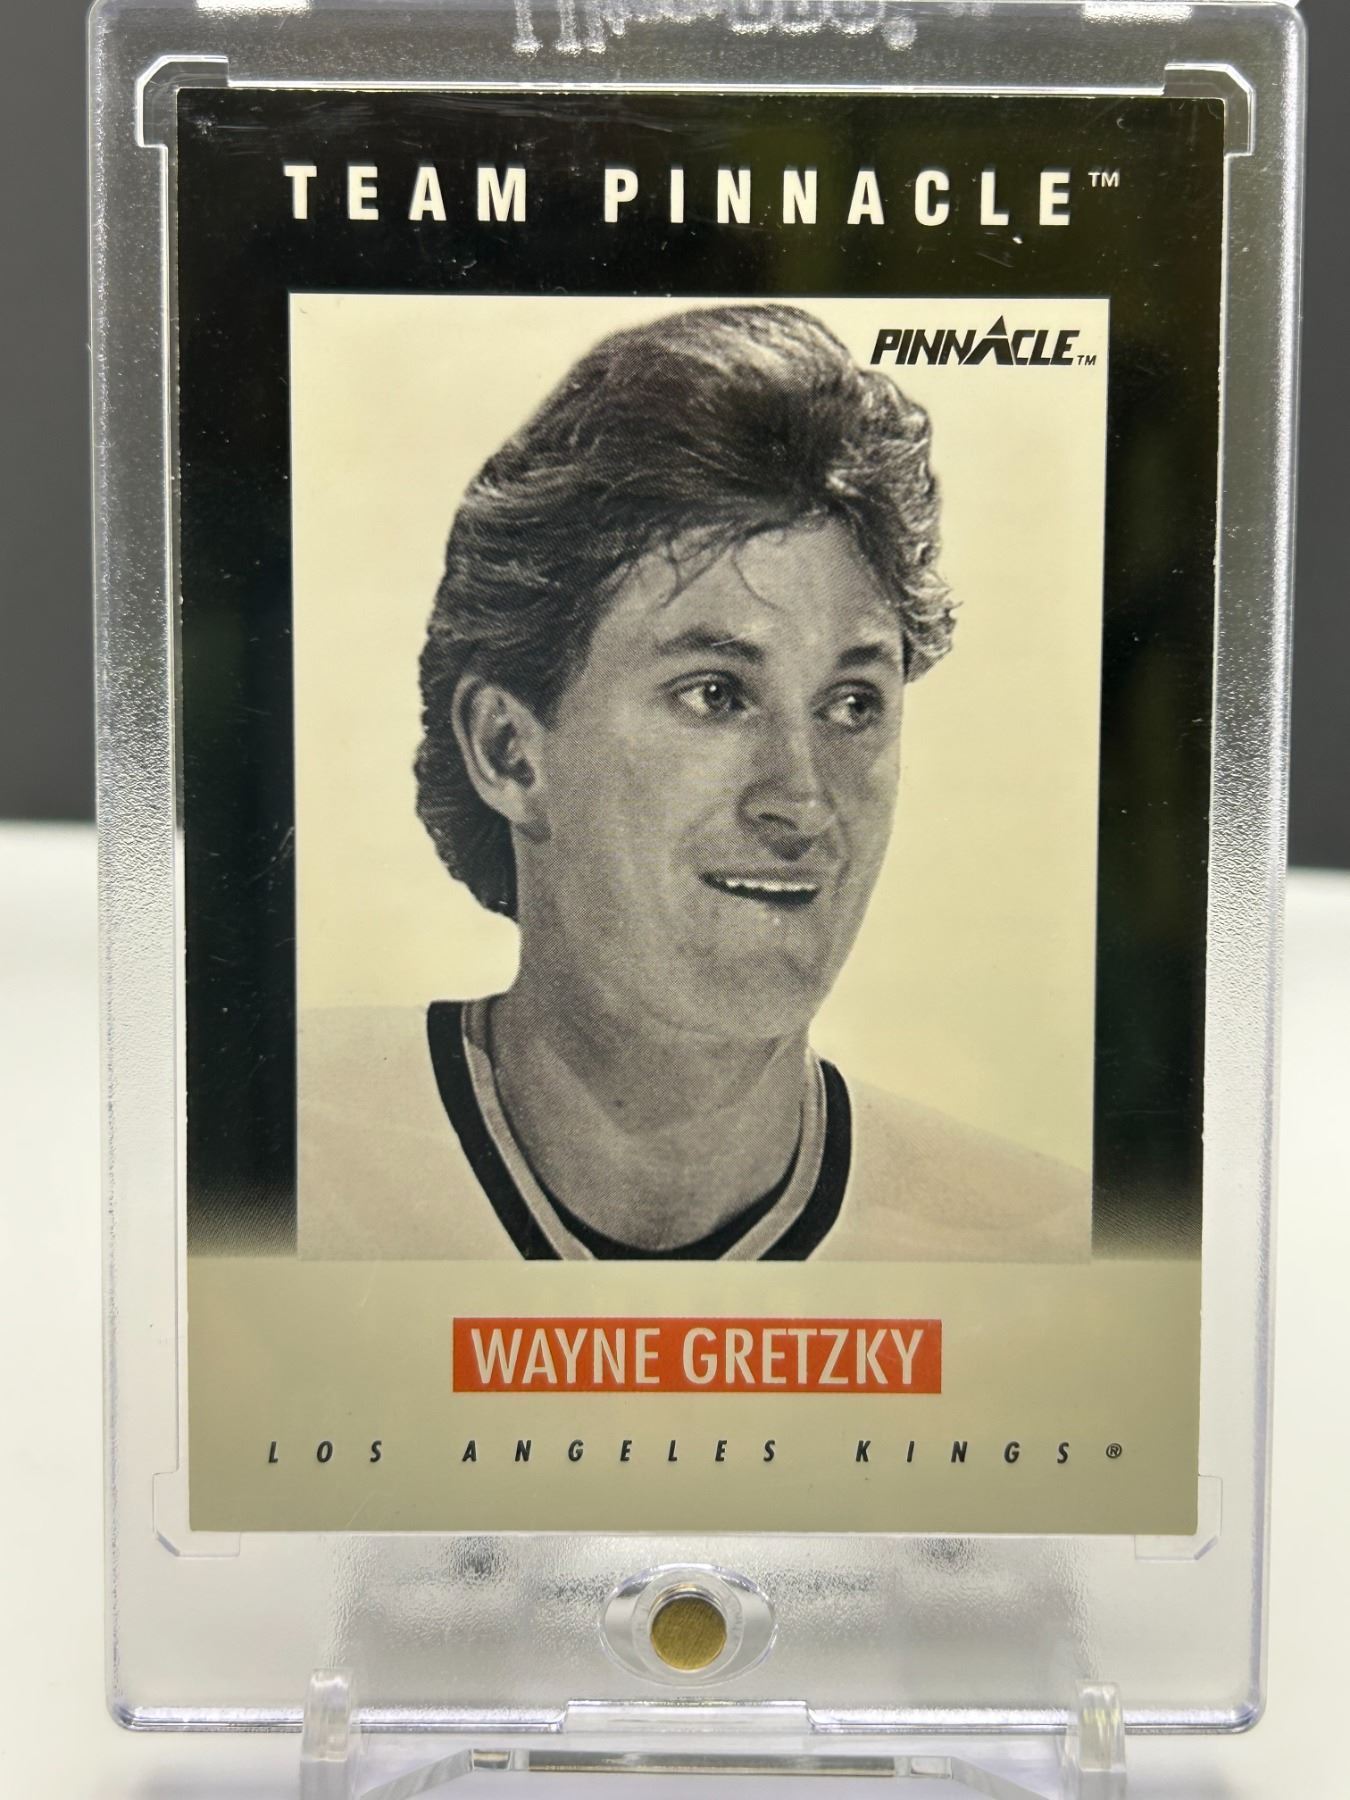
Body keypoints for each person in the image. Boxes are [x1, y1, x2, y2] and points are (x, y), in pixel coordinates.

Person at [299, 304, 1088, 1261]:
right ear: (510, 751)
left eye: (851, 704)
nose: (802, 802)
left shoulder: (1034, 1246)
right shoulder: (272, 1160)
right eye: (716, 695)